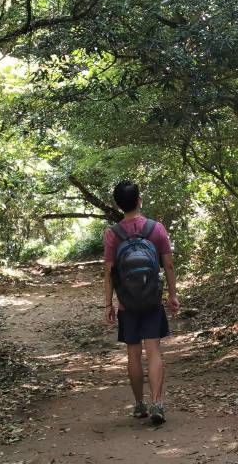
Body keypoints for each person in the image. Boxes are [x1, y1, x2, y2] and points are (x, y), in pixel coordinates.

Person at [103, 180, 180, 426]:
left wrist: (108, 304)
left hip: (127, 304)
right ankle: (158, 402)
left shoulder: (113, 235)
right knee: (154, 351)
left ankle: (139, 405)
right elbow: (167, 265)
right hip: (151, 301)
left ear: (118, 205)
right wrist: (173, 294)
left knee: (133, 354)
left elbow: (109, 273)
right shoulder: (156, 229)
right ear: (139, 200)